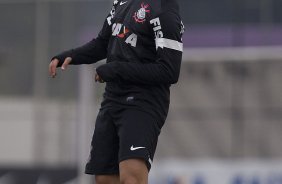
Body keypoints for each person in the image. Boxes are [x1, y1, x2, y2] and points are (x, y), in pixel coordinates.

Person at [49, 0, 184, 183]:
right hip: (113, 99)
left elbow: (169, 71)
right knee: (104, 178)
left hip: (143, 102)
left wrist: (116, 70)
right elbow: (103, 43)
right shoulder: (122, 2)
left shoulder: (163, 8)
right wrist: (70, 56)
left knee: (131, 176)